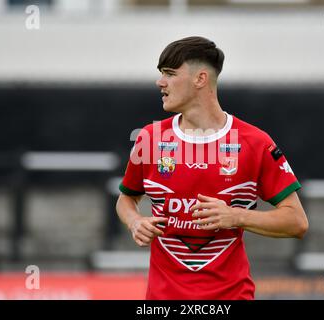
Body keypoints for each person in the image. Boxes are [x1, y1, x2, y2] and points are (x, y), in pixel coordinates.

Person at [116, 36, 308, 300]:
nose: (160, 82)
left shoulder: (254, 142)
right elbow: (126, 198)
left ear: (200, 79)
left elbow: (296, 221)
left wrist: (236, 216)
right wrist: (134, 221)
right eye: (161, 74)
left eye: (170, 74)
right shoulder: (149, 138)